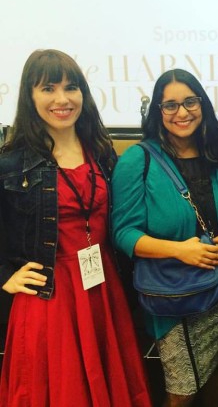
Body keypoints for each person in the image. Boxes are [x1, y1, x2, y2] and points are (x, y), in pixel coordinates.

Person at [0, 49, 151, 406]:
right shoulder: (11, 163)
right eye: (48, 88)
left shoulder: (102, 152)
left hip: (102, 289)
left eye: (71, 87)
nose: (62, 99)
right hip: (50, 299)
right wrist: (4, 274)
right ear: (29, 96)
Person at [111, 68, 218, 407]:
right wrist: (179, 251)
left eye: (190, 101)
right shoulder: (138, 159)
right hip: (173, 294)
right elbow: (123, 233)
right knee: (182, 389)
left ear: (202, 104)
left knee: (216, 372)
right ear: (157, 111)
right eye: (170, 105)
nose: (182, 112)